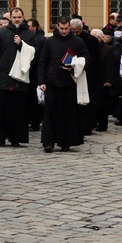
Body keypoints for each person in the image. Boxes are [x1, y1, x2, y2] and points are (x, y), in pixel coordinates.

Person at [38, 16, 89, 152]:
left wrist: (74, 67)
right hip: (52, 81)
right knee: (49, 113)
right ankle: (48, 142)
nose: (64, 31)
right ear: (57, 27)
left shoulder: (78, 42)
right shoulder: (50, 42)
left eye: (67, 29)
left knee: (68, 114)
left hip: (70, 82)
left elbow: (86, 60)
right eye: (62, 28)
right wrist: (41, 81)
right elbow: (43, 61)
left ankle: (66, 142)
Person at [0, 7, 37, 148]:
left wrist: (22, 45)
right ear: (10, 18)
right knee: (0, 109)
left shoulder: (29, 34)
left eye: (19, 17)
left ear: (23, 18)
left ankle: (16, 138)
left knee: (17, 110)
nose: (16, 19)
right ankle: (0, 137)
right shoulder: (2, 33)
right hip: (3, 76)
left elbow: (35, 52)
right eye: (14, 17)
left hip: (20, 78)